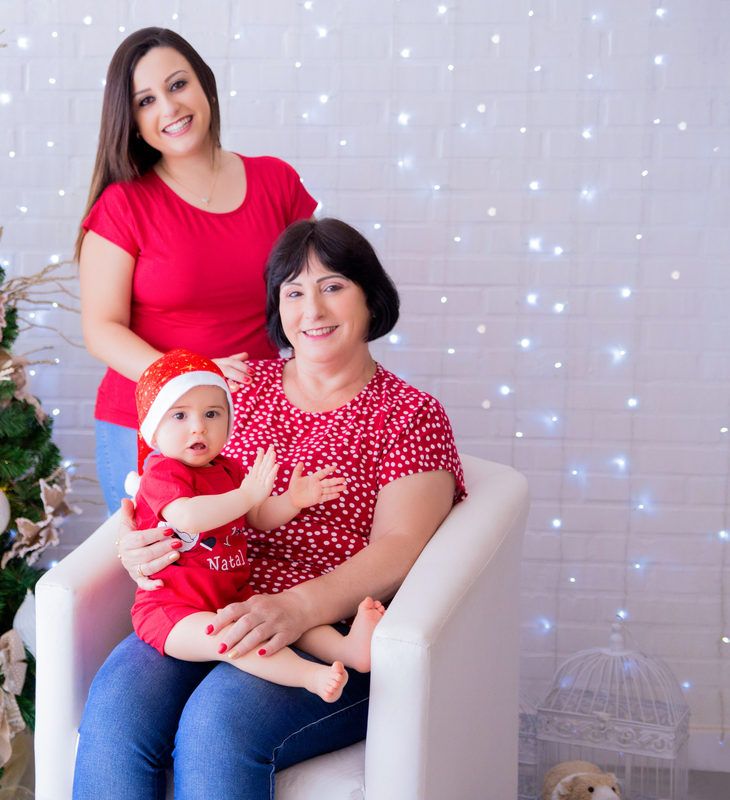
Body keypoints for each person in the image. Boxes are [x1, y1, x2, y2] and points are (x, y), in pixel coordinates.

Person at [72, 218, 467, 799]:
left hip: (327, 633)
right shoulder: (231, 391)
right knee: (115, 710)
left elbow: (401, 548)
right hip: (206, 602)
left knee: (216, 726)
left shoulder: (410, 414)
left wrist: (297, 606)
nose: (313, 309)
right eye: (294, 291)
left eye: (333, 286)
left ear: (370, 296)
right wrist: (137, 545)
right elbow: (166, 490)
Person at [78, 27, 319, 514]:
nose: (168, 108)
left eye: (177, 85)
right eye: (145, 100)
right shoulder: (123, 205)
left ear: (205, 86)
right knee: (165, 582)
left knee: (245, 573)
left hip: (258, 419)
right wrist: (193, 374)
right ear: (133, 123)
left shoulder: (277, 182)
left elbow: (311, 300)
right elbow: (101, 331)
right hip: (147, 428)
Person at [129, 348, 384, 703]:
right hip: (171, 608)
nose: (198, 426)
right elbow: (187, 516)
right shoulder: (162, 472)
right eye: (180, 416)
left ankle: (348, 647)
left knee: (281, 618)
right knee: (229, 638)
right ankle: (308, 675)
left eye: (212, 414)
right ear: (153, 431)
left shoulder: (228, 469)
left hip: (231, 593)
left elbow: (258, 518)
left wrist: (292, 501)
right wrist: (247, 494)